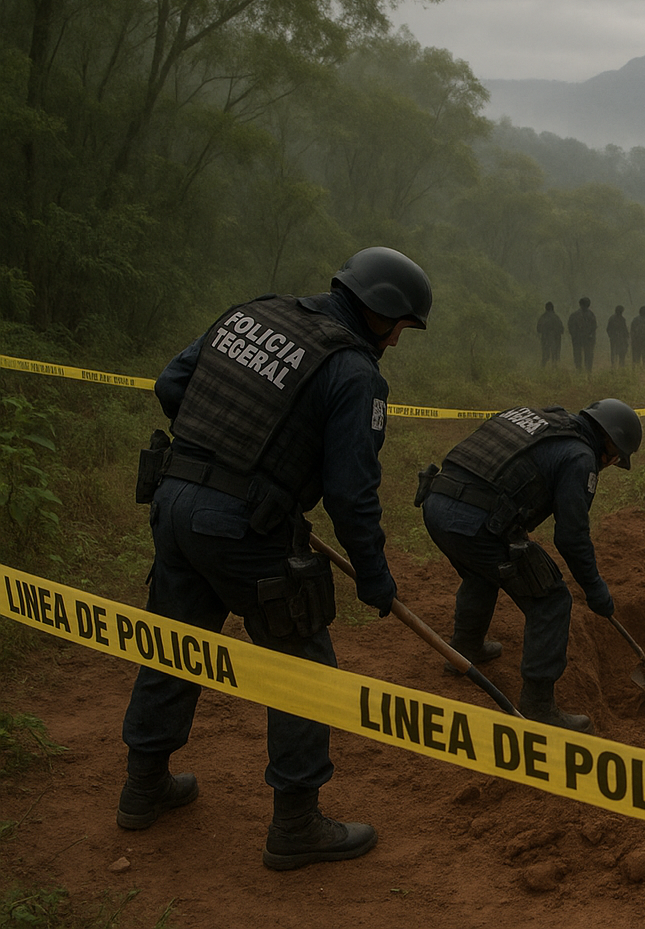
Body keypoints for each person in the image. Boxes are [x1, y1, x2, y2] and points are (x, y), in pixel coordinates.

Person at [118, 246, 431, 871]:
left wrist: (222, 459)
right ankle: (295, 823)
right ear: (379, 312)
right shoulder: (354, 372)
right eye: (402, 326)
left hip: (174, 503)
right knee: (302, 667)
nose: (399, 340)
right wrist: (374, 577)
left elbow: (170, 384)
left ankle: (143, 786)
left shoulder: (252, 314)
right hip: (240, 530)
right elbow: (350, 492)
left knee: (174, 644)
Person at [417, 399, 642, 731]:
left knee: (483, 568)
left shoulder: (542, 416)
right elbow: (571, 537)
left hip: (436, 503)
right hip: (473, 522)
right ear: (608, 444)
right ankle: (537, 705)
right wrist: (595, 589)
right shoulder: (580, 457)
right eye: (613, 458)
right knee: (551, 600)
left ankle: (465, 646)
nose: (608, 464)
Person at [567, 297, 597, 372]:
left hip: (578, 339)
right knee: (588, 355)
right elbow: (594, 327)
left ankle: (579, 369)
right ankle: (588, 370)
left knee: (578, 354)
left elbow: (570, 327)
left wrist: (574, 336)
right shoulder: (591, 315)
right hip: (587, 339)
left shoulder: (574, 315)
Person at [536, 301, 563, 367]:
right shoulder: (556, 317)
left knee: (545, 355)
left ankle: (543, 368)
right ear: (552, 308)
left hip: (545, 339)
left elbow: (538, 329)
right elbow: (562, 330)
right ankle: (554, 369)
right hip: (556, 339)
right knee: (555, 355)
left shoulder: (542, 317)